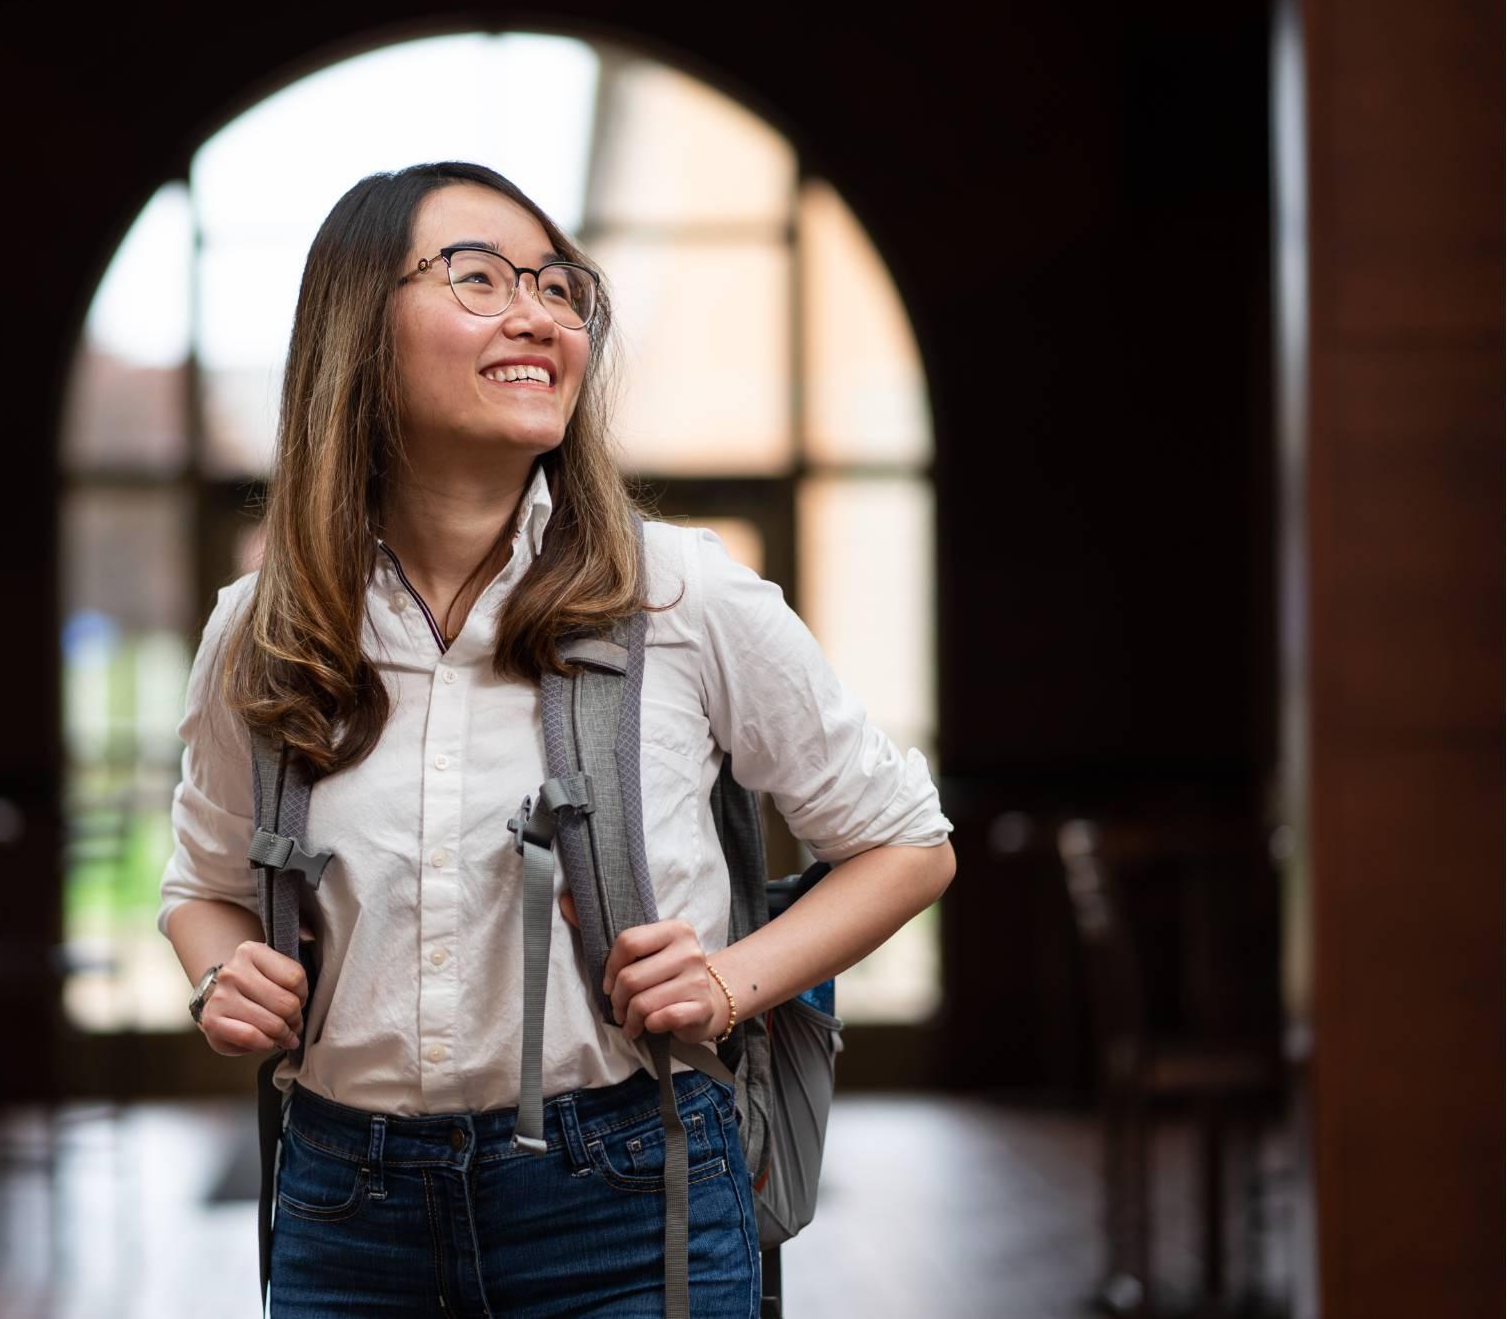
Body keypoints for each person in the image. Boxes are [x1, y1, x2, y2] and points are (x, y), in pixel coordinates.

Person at [157, 160, 956, 1318]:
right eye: (477, 277)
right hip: (341, 1204)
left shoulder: (680, 593)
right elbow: (201, 887)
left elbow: (907, 844)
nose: (537, 312)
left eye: (558, 286)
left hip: (625, 1193)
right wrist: (222, 973)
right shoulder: (260, 630)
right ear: (354, 328)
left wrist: (728, 982)